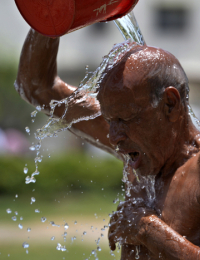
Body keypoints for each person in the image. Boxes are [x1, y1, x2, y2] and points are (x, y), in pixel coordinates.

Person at [15, 28, 200, 259]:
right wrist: (50, 16)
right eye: (110, 120)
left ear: (170, 104)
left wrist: (148, 229)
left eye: (124, 119)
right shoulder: (139, 148)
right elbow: (37, 87)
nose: (113, 136)